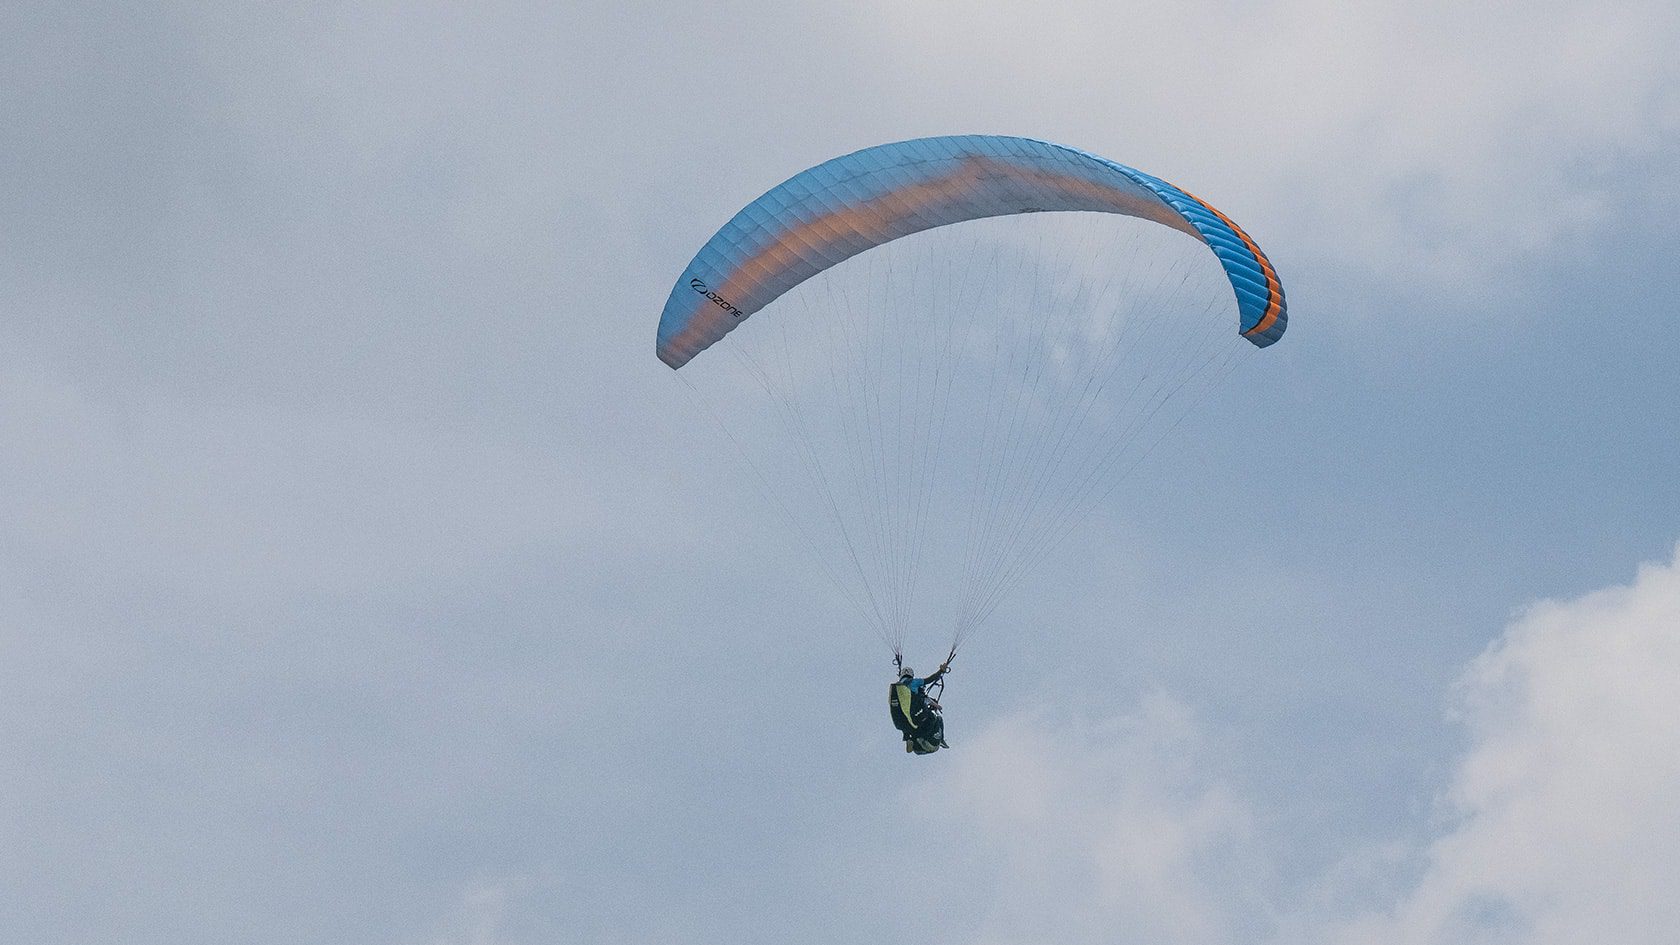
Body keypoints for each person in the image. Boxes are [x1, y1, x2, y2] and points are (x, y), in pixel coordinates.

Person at [889, 659, 951, 754]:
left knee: (909, 727)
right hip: (916, 712)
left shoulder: (898, 689)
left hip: (903, 718)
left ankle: (909, 739)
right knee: (932, 719)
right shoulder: (914, 682)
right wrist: (941, 671)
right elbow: (930, 679)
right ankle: (939, 739)